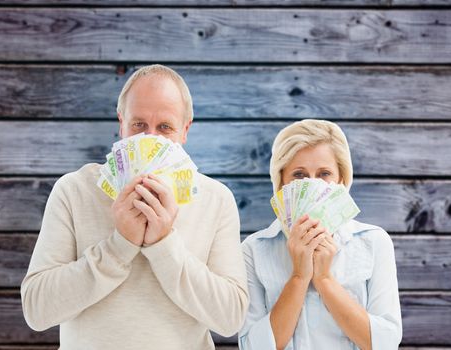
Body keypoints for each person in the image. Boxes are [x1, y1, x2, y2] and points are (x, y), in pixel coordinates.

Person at [21, 64, 249, 349]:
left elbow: (230, 318)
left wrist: (164, 245)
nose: (150, 140)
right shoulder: (73, 190)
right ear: (121, 124)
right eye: (138, 125)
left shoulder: (216, 199)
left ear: (185, 130)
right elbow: (36, 310)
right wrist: (120, 245)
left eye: (165, 127)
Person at [238, 120, 402, 350]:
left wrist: (324, 279)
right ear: (280, 184)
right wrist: (299, 277)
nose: (313, 185)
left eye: (324, 173)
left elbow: (385, 343)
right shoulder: (254, 249)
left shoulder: (374, 242)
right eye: (299, 175)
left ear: (341, 182)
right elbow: (253, 347)